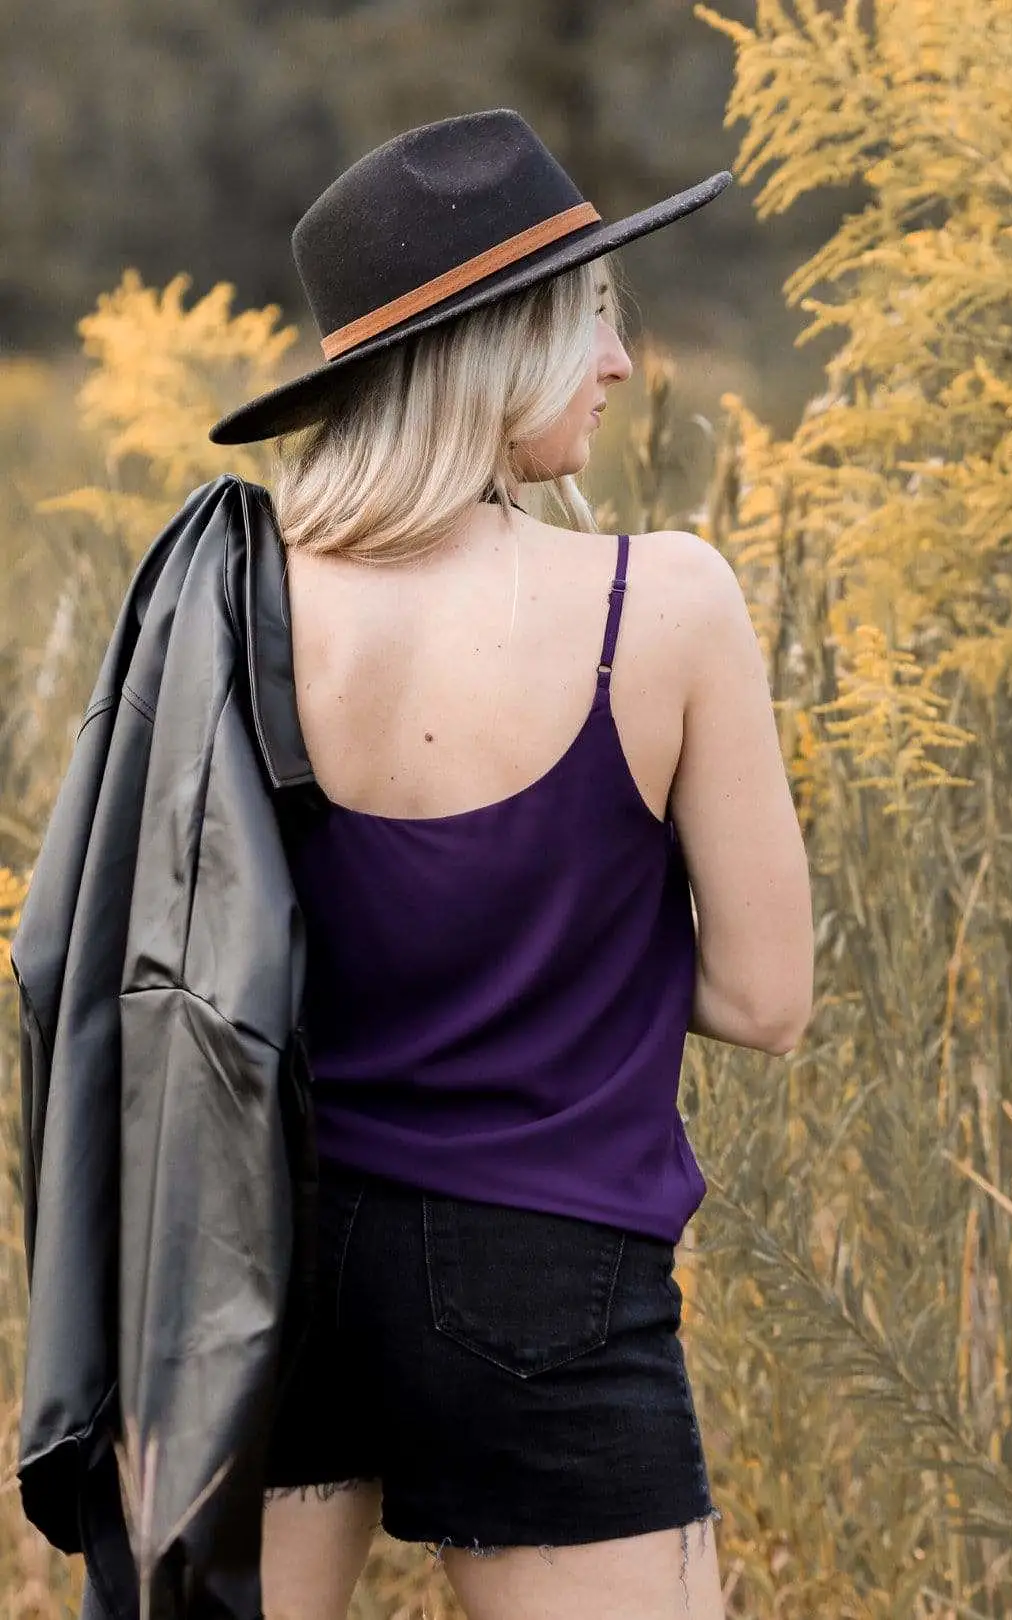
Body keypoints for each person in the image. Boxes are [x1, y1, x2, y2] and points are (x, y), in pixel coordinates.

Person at [206, 108, 815, 1620]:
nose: (619, 362)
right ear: (501, 350)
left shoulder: (232, 603)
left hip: (256, 1261)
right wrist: (562, 944)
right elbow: (765, 997)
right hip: (545, 1272)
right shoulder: (662, 601)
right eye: (595, 317)